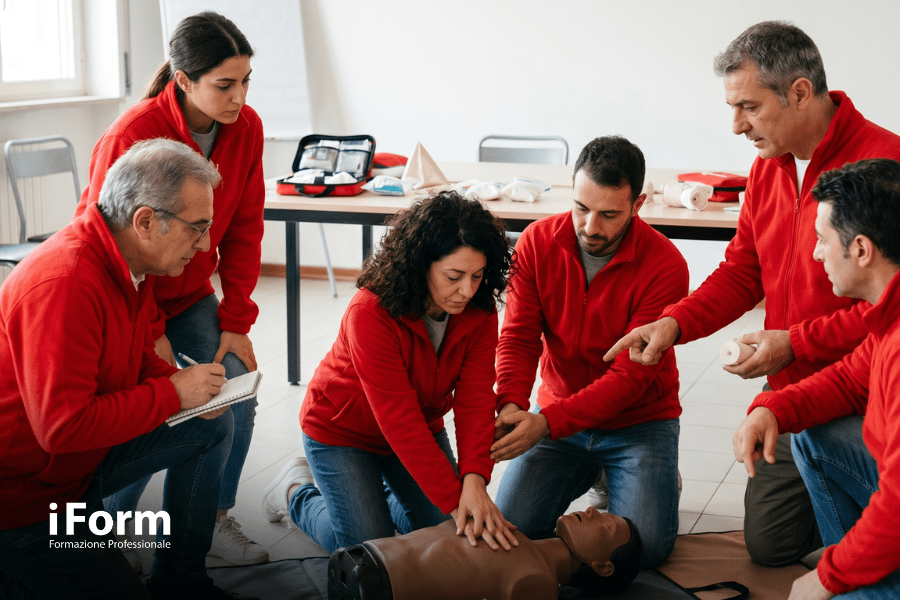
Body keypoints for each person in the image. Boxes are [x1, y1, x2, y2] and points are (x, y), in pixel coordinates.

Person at [604, 21, 900, 567]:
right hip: (796, 386)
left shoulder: (885, 165)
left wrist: (796, 341)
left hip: (870, 389)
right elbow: (742, 272)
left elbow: (894, 308)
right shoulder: (768, 167)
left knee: (874, 534)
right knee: (769, 546)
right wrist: (672, 325)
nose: (736, 125)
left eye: (748, 107)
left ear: (800, 92)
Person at [0, 139, 248, 599]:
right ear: (146, 221)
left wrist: (183, 389)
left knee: (211, 425)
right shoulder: (67, 284)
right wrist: (174, 394)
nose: (206, 243)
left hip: (73, 472)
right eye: (197, 228)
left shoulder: (128, 263)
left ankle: (181, 580)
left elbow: (134, 362)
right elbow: (63, 428)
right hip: (25, 501)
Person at [75, 12, 268, 566]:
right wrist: (149, 336)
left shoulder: (246, 128)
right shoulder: (131, 135)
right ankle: (99, 532)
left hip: (189, 295)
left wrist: (236, 320)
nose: (239, 97)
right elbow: (104, 243)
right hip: (129, 298)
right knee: (161, 410)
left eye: (246, 80)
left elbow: (247, 226)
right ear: (183, 80)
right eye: (225, 85)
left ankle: (212, 517)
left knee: (236, 392)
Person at [262, 191, 516, 554]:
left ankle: (376, 493)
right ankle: (295, 493)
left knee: (452, 541)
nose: (467, 290)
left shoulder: (479, 309)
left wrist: (475, 480)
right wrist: (457, 501)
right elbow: (400, 422)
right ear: (420, 264)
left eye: (477, 275)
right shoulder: (369, 311)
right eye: (454, 276)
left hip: (418, 431)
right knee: (369, 554)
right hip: (341, 433)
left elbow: (475, 398)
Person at [490, 135, 689, 567]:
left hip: (638, 423)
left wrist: (545, 424)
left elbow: (630, 379)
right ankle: (602, 474)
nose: (590, 227)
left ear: (637, 205)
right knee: (510, 533)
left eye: (608, 214)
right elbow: (519, 338)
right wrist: (511, 405)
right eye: (581, 208)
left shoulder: (666, 265)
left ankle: (645, 476)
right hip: (559, 414)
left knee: (644, 551)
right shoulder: (535, 243)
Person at [733, 158, 900, 599]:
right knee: (809, 433)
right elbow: (847, 379)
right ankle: (856, 568)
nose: (815, 253)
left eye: (823, 240)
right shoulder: (887, 314)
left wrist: (825, 579)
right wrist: (772, 407)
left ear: (861, 250)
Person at [329, 507, 642, 600]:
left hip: (373, 585)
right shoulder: (508, 528)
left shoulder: (537, 582)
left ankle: (294, 488)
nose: (591, 510)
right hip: (364, 556)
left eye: (605, 526)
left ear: (602, 566)